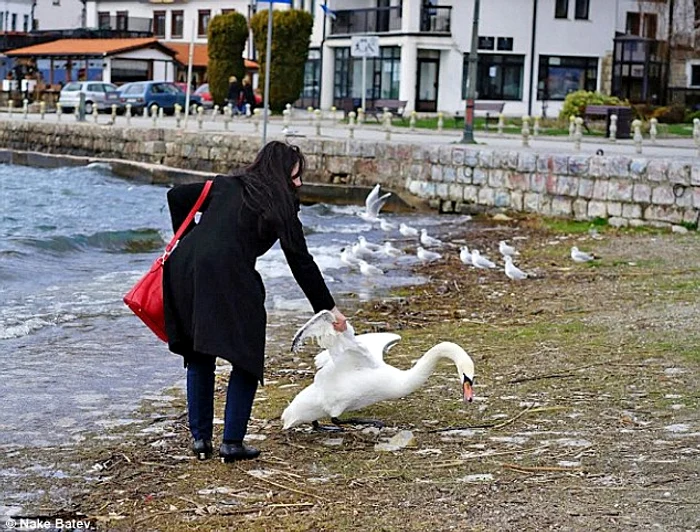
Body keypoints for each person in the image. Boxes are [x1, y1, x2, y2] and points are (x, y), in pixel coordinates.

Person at [163, 141, 347, 463]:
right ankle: (231, 443)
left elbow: (176, 196)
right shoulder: (280, 205)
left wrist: (189, 237)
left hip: (185, 269)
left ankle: (201, 441)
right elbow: (300, 261)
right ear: (280, 175)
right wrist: (328, 308)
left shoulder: (225, 185)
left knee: (199, 353)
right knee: (246, 356)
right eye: (295, 176)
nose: (299, 183)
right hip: (228, 272)